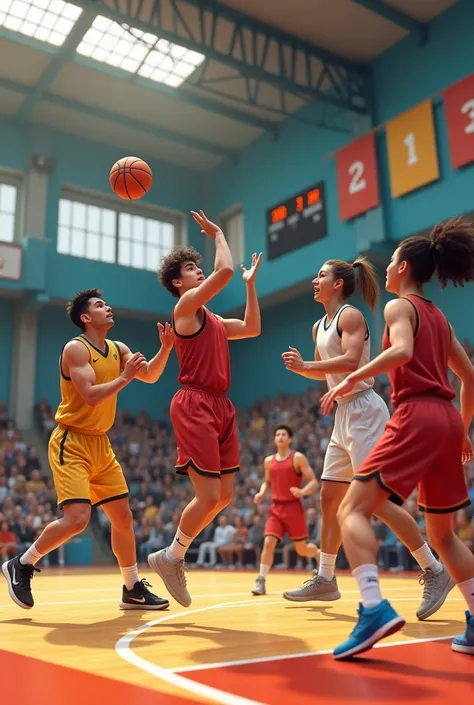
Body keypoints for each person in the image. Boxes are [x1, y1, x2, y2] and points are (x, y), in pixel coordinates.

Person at [319, 217, 474, 659]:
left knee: (351, 508)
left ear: (404, 267)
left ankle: (373, 608)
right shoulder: (439, 318)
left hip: (418, 412)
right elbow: (469, 377)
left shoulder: (398, 307)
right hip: (446, 419)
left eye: (390, 263)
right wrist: (461, 429)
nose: (385, 270)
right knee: (444, 536)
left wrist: (352, 379)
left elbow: (402, 350)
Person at [281, 257, 453, 620]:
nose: (315, 280)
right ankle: (326, 577)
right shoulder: (318, 326)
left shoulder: (350, 316)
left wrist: (307, 367)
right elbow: (322, 372)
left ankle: (433, 569)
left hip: (364, 409)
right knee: (330, 497)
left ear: (339, 283)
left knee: (373, 501)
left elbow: (350, 362)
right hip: (343, 414)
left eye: (321, 275)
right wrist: (307, 369)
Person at [2, 289, 173, 611]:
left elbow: (148, 375)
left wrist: (164, 350)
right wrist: (125, 377)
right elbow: (92, 395)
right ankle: (22, 564)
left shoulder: (118, 347)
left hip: (100, 443)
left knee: (123, 517)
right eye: (99, 305)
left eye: (106, 303)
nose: (107, 307)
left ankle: (132, 586)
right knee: (78, 519)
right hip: (72, 440)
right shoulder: (75, 349)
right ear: (85, 317)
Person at [148, 210, 262, 607]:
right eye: (192, 269)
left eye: (200, 267)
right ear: (178, 282)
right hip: (194, 402)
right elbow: (225, 270)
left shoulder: (211, 318)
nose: (200, 272)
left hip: (222, 406)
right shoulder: (184, 310)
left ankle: (170, 557)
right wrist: (218, 235)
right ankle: (173, 556)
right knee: (209, 492)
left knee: (225, 496)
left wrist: (250, 287)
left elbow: (252, 329)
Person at [251, 424, 318, 595]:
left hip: (293, 507)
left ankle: (318, 555)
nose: (280, 437)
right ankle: (261, 580)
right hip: (276, 508)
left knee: (302, 549)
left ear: (290, 439)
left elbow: (313, 482)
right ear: (274, 439)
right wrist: (261, 493)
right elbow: (267, 482)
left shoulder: (298, 458)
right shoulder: (268, 461)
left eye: (284, 434)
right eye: (278, 434)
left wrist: (302, 491)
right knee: (268, 542)